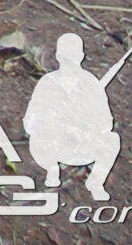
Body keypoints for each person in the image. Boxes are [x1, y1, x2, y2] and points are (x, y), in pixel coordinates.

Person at [25, 32, 123, 200]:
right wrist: (55, 125)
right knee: (39, 142)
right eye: (66, 56)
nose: (70, 61)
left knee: (112, 140)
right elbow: (30, 121)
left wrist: (88, 126)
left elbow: (106, 122)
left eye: (73, 56)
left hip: (80, 144)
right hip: (52, 143)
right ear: (58, 57)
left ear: (81, 56)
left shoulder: (91, 83)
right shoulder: (48, 82)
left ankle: (96, 183)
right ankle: (52, 171)